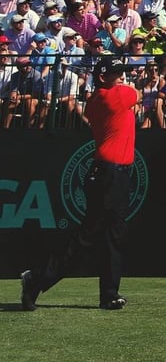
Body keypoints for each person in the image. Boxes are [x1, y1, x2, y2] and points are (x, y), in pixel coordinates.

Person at [21, 56, 140, 311]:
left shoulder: (98, 99)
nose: (122, 76)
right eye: (117, 73)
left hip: (109, 173)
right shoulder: (113, 96)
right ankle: (37, 278)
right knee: (92, 237)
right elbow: (135, 93)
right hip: (110, 174)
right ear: (102, 77)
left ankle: (108, 294)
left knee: (108, 236)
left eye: (123, 72)